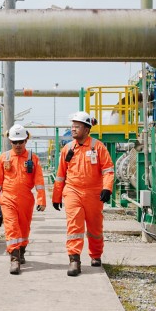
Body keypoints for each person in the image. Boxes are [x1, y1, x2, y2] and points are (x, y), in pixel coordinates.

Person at [51, 111, 114, 276]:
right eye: (72, 126)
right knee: (74, 226)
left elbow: (108, 170)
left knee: (95, 227)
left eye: (77, 126)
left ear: (87, 129)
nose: (73, 129)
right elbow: (60, 175)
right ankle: (74, 260)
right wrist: (56, 196)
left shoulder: (98, 147)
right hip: (73, 191)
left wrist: (107, 188)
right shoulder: (68, 149)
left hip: (94, 194)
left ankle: (95, 255)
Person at [0, 123, 47, 274]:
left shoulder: (32, 159)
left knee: (24, 228)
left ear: (26, 141)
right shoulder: (4, 158)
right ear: (10, 142)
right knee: (11, 227)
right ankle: (14, 258)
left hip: (26, 200)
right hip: (8, 198)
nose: (17, 145)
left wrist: (41, 200)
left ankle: (21, 251)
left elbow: (39, 181)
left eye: (20, 141)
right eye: (14, 142)